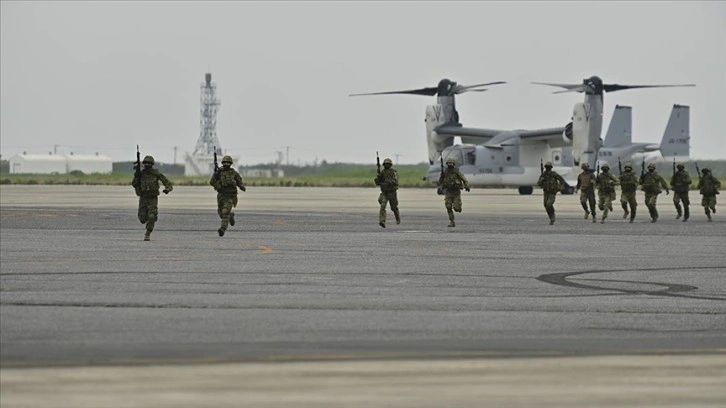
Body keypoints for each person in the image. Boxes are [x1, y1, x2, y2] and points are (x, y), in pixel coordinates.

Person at [131, 155, 173, 241]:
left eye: (149, 163)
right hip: (143, 198)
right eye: (145, 163)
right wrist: (136, 176)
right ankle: (150, 220)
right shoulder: (141, 174)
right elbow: (134, 184)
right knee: (142, 219)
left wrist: (167, 189)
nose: (147, 165)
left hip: (152, 199)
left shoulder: (156, 173)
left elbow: (166, 182)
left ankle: (148, 233)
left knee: (151, 216)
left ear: (152, 164)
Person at [209, 155, 246, 236]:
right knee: (221, 213)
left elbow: (239, 181)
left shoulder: (234, 173)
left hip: (230, 196)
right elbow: (211, 182)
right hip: (221, 196)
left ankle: (222, 229)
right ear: (222, 163)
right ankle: (231, 216)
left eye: (228, 163)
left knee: (225, 212)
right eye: (224, 162)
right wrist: (215, 175)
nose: (226, 164)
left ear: (231, 163)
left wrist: (241, 186)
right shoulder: (219, 172)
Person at [438, 157, 469, 227]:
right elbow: (440, 182)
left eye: (451, 163)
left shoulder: (456, 171)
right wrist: (441, 176)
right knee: (448, 206)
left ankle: (459, 207)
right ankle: (452, 221)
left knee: (456, 208)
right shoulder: (445, 172)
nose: (450, 164)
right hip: (448, 192)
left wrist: (466, 186)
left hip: (456, 192)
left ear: (453, 164)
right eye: (448, 163)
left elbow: (464, 179)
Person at [375, 157, 400, 228]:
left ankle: (397, 217)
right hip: (385, 193)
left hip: (392, 193)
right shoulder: (382, 172)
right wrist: (378, 180)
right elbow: (378, 182)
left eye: (388, 164)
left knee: (394, 207)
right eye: (385, 164)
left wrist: (387, 182)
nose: (386, 165)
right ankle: (382, 221)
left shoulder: (393, 172)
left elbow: (395, 182)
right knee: (382, 206)